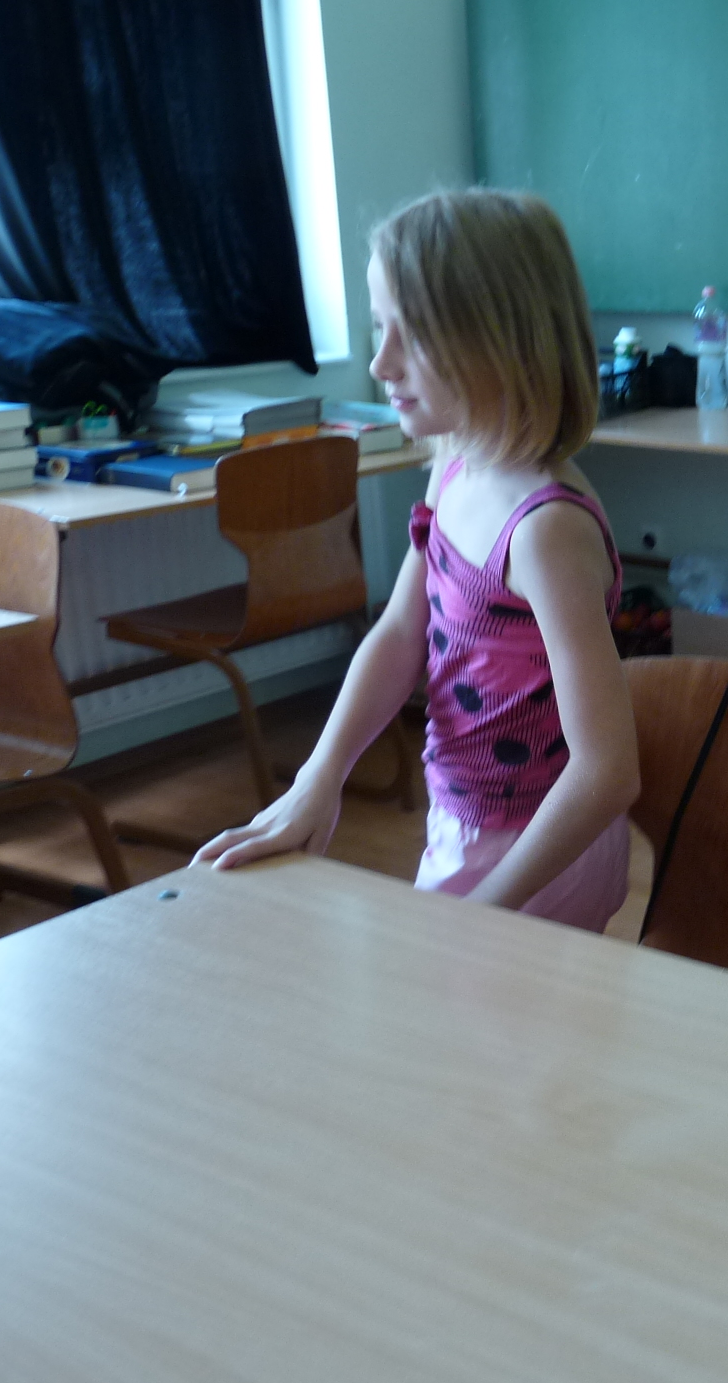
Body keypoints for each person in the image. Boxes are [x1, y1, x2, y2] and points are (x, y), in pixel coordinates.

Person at [194, 189, 639, 931]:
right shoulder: (454, 466)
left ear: (502, 343)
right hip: (468, 818)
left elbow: (606, 772)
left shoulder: (545, 531)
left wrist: (483, 915)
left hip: (540, 846)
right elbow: (403, 632)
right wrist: (318, 778)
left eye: (415, 335)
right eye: (380, 327)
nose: (380, 362)